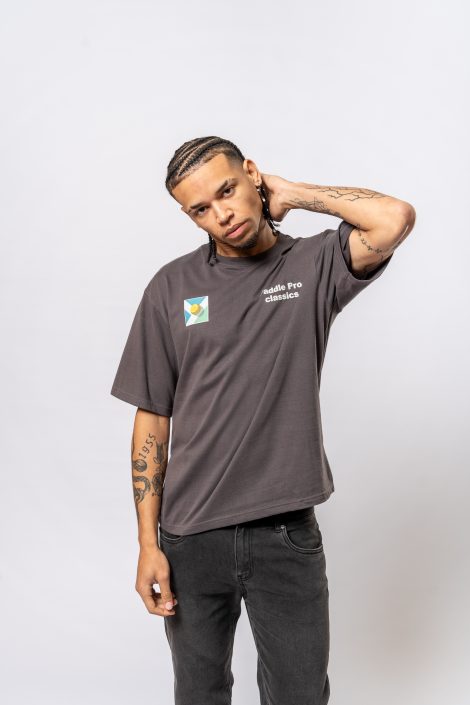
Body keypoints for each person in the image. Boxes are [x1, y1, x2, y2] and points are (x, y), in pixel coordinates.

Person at [110, 136, 415, 705]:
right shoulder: (170, 287)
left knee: (299, 695)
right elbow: (152, 420)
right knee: (198, 694)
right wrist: (148, 544)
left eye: (227, 190)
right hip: (189, 538)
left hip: (285, 534)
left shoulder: (314, 264)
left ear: (252, 174)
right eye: (200, 209)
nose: (221, 214)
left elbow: (393, 218)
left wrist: (293, 193)